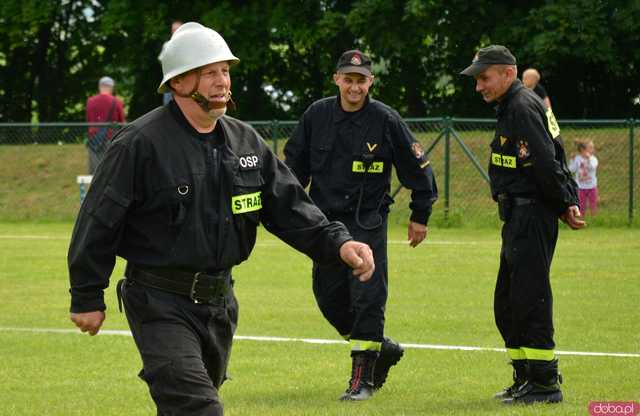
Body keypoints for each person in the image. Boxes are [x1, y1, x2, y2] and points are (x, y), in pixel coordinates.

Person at [68, 22, 375, 416]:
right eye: (209, 72)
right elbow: (98, 221)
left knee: (187, 406)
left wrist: (339, 243)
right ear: (179, 82)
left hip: (220, 304)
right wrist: (87, 295)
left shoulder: (246, 142)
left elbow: (290, 207)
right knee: (199, 408)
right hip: (159, 303)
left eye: (225, 71)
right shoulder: (139, 144)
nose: (222, 81)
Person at [284, 49, 438, 401]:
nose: (354, 87)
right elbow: (294, 168)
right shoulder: (316, 115)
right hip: (323, 225)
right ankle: (382, 349)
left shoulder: (385, 119)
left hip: (367, 222)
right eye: (348, 79)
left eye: (361, 80)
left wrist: (420, 214)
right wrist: (287, 208)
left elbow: (418, 169)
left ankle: (362, 379)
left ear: (371, 82)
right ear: (337, 79)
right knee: (329, 299)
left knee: (367, 297)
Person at [460, 45, 585, 405]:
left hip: (532, 213)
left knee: (529, 298)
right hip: (518, 215)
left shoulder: (521, 106)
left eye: (484, 78)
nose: (478, 86)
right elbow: (557, 145)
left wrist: (565, 201)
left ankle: (545, 383)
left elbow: (547, 160)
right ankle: (525, 377)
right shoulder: (517, 105)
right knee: (508, 302)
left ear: (507, 74)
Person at [85, 76, 126, 174]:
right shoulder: (117, 102)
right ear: (111, 87)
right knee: (111, 169)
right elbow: (122, 121)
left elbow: (88, 120)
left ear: (100, 87)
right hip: (111, 138)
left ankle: (95, 188)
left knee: (95, 171)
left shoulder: (90, 101)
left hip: (94, 139)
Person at [569, 140, 599, 216]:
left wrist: (588, 159)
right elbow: (571, 169)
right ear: (583, 149)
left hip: (592, 186)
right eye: (591, 148)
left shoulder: (593, 159)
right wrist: (572, 160)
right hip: (580, 187)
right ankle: (581, 219)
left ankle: (594, 220)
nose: (593, 149)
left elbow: (593, 167)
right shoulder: (577, 159)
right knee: (581, 205)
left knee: (593, 204)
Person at [160, 20, 184, 105]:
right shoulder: (167, 45)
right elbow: (163, 63)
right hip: (170, 81)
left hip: (185, 81)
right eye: (173, 30)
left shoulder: (187, 45)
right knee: (168, 106)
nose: (175, 32)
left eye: (177, 29)